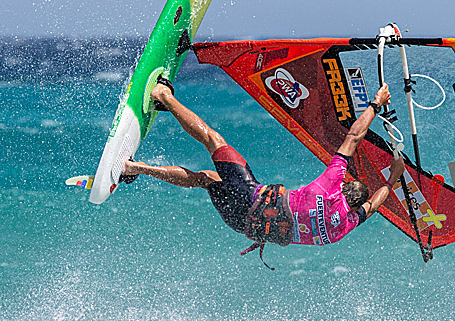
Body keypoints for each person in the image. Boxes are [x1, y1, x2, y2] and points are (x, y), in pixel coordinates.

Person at [122, 77, 405, 258]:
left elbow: (354, 137)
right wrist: (391, 184)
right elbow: (375, 206)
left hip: (250, 197)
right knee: (207, 179)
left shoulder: (331, 187)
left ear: (343, 187)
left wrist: (375, 105)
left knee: (213, 140)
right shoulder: (342, 227)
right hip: (243, 225)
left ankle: (164, 96)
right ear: (354, 208)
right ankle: (138, 168)